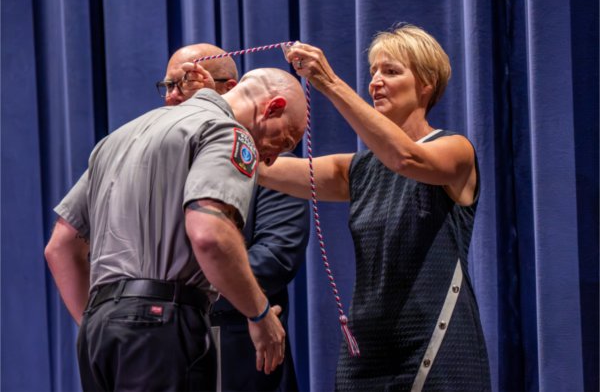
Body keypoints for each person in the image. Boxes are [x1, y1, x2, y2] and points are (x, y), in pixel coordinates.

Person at [44, 65, 308, 391]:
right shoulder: (229, 133)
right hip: (165, 327)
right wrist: (259, 313)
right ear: (273, 107)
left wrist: (103, 321)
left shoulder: (118, 138)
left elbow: (61, 246)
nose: (271, 161)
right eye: (285, 140)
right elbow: (209, 234)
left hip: (98, 335)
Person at [259, 24, 491, 391]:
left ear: (426, 84)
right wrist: (216, 108)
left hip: (436, 345)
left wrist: (330, 83)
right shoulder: (361, 168)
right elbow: (260, 169)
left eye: (391, 71)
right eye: (373, 73)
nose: (376, 82)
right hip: (366, 354)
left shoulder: (455, 150)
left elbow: (406, 158)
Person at [157, 43, 309, 391]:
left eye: (184, 84)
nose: (171, 98)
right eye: (166, 86)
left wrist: (190, 290)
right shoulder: (159, 152)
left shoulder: (266, 160)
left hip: (237, 346)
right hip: (163, 341)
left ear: (227, 88)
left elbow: (276, 255)